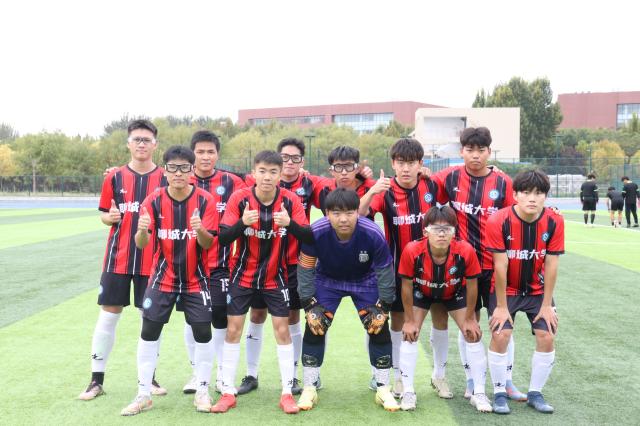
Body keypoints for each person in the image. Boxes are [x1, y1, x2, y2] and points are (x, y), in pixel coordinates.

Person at [211, 150, 313, 414]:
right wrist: (242, 223)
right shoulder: (240, 198)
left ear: (280, 175)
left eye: (273, 172)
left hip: (275, 277)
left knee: (282, 330)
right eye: (263, 171)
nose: (267, 177)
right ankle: (227, 391)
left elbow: (308, 236)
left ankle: (287, 393)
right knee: (233, 329)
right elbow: (223, 238)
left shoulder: (290, 200)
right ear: (254, 173)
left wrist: (289, 224)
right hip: (241, 276)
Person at [120, 145, 217, 415]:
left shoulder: (205, 200)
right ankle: (143, 394)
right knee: (149, 332)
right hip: (162, 280)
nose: (178, 173)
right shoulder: (153, 200)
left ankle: (203, 391)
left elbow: (209, 244)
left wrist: (200, 230)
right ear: (165, 171)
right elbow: (141, 243)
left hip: (196, 280)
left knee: (203, 333)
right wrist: (141, 231)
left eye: (184, 168)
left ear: (192, 170)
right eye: (173, 168)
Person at [430, 127, 525, 401]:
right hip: (463, 268)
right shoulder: (449, 177)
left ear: (489, 152)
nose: (475, 155)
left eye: (481, 150)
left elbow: (517, 216)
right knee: (468, 323)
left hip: (497, 267)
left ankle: (506, 381)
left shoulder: (503, 182)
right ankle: (472, 380)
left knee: (502, 323)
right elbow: (422, 182)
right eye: (470, 150)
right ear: (462, 151)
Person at [78, 119, 167, 401]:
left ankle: (149, 379)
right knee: (108, 315)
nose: (141, 144)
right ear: (129, 144)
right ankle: (96, 380)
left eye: (146, 140)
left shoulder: (166, 178)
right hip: (117, 259)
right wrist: (110, 217)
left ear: (155, 144)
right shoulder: (114, 177)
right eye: (136, 139)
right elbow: (104, 214)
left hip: (152, 261)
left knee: (149, 319)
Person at [235, 138, 326, 396]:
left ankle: (292, 375)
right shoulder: (256, 180)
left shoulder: (309, 183)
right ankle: (251, 374)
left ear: (302, 162)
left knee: (292, 317)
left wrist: (363, 176)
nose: (289, 162)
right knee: (256, 315)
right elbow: (229, 177)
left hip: (294, 263)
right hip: (260, 263)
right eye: (284, 157)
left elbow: (338, 184)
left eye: (295, 158)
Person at [295, 188, 399, 412]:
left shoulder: (373, 233)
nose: (343, 219)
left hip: (365, 279)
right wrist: (308, 303)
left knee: (378, 325)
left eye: (349, 212)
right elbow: (305, 268)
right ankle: (310, 386)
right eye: (336, 213)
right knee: (314, 324)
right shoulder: (315, 232)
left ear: (357, 212)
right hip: (327, 280)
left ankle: (383, 387)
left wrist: (384, 305)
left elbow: (385, 271)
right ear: (327, 213)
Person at [358, 138, 439, 396]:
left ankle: (437, 376)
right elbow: (359, 213)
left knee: (434, 318)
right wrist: (373, 191)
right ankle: (390, 374)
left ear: (420, 164)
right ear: (393, 163)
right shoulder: (385, 191)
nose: (405, 168)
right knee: (393, 321)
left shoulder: (431, 185)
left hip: (429, 268)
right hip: (393, 269)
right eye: (400, 163)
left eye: (411, 163)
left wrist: (493, 169)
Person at [398, 206, 492, 412]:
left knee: (472, 333)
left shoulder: (465, 250)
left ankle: (479, 393)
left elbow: (472, 285)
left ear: (454, 232)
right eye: (436, 228)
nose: (441, 233)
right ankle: (408, 391)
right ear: (425, 231)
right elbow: (406, 286)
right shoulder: (412, 250)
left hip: (454, 291)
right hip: (422, 291)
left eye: (447, 229)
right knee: (410, 334)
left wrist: (470, 318)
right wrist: (409, 320)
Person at [486, 169, 564, 415]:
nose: (532, 198)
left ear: (545, 196)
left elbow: (551, 264)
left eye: (539, 193)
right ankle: (499, 393)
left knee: (547, 335)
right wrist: (501, 307)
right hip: (506, 290)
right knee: (501, 335)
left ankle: (535, 393)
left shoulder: (554, 221)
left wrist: (546, 305)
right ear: (515, 195)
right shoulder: (498, 220)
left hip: (537, 291)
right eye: (526, 192)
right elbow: (500, 265)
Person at [179, 130, 246, 394]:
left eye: (210, 152)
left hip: (221, 264)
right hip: (188, 265)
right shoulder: (181, 179)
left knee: (219, 318)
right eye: (200, 152)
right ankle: (197, 373)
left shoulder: (233, 182)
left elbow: (265, 179)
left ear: (217, 154)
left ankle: (220, 375)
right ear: (192, 154)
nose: (205, 157)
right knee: (192, 320)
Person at [311, 146, 375, 215]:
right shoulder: (322, 187)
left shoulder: (372, 188)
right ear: (331, 171)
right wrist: (302, 171)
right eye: (338, 167)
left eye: (349, 166)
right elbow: (303, 177)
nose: (344, 172)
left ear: (357, 169)